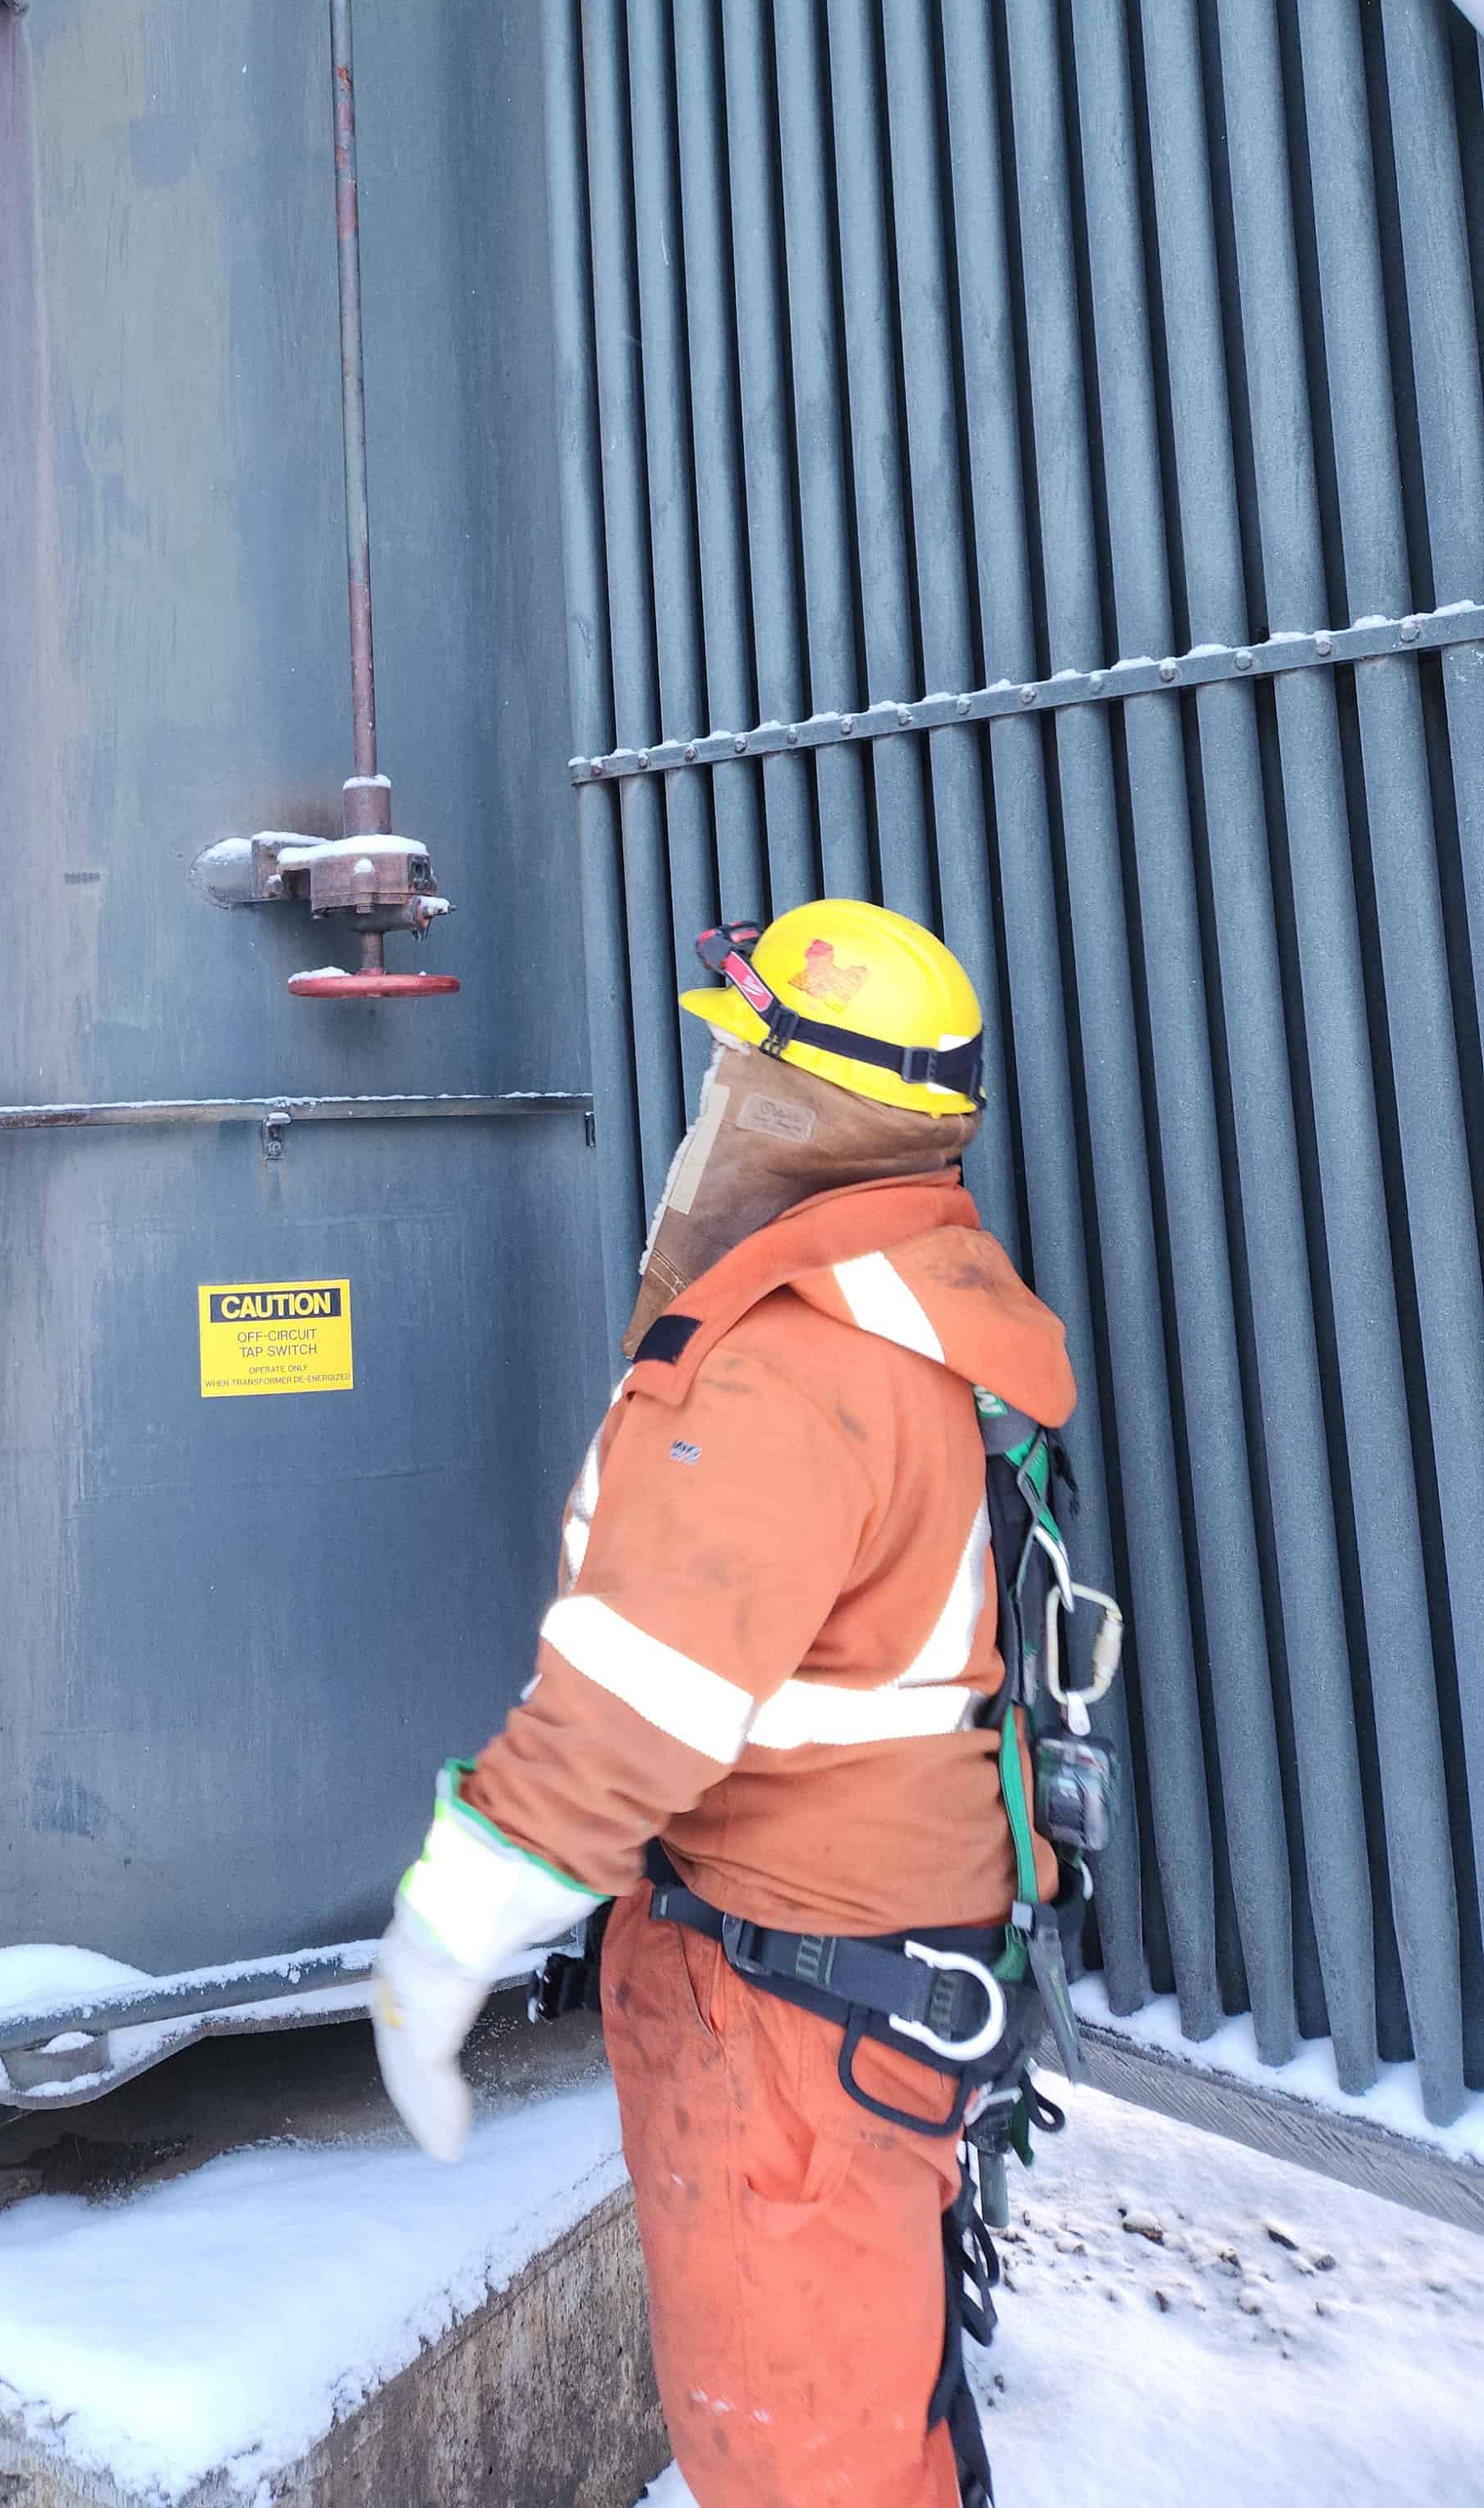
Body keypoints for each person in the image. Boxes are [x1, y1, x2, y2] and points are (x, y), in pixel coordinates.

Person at [370, 901, 1092, 2508]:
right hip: (887, 1974)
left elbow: (637, 1700)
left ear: (797, 1104)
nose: (711, 1089)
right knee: (884, 2425)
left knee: (801, 2458)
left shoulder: (778, 1366)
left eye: (734, 1057)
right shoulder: (923, 1297)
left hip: (791, 2020)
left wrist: (452, 1929)